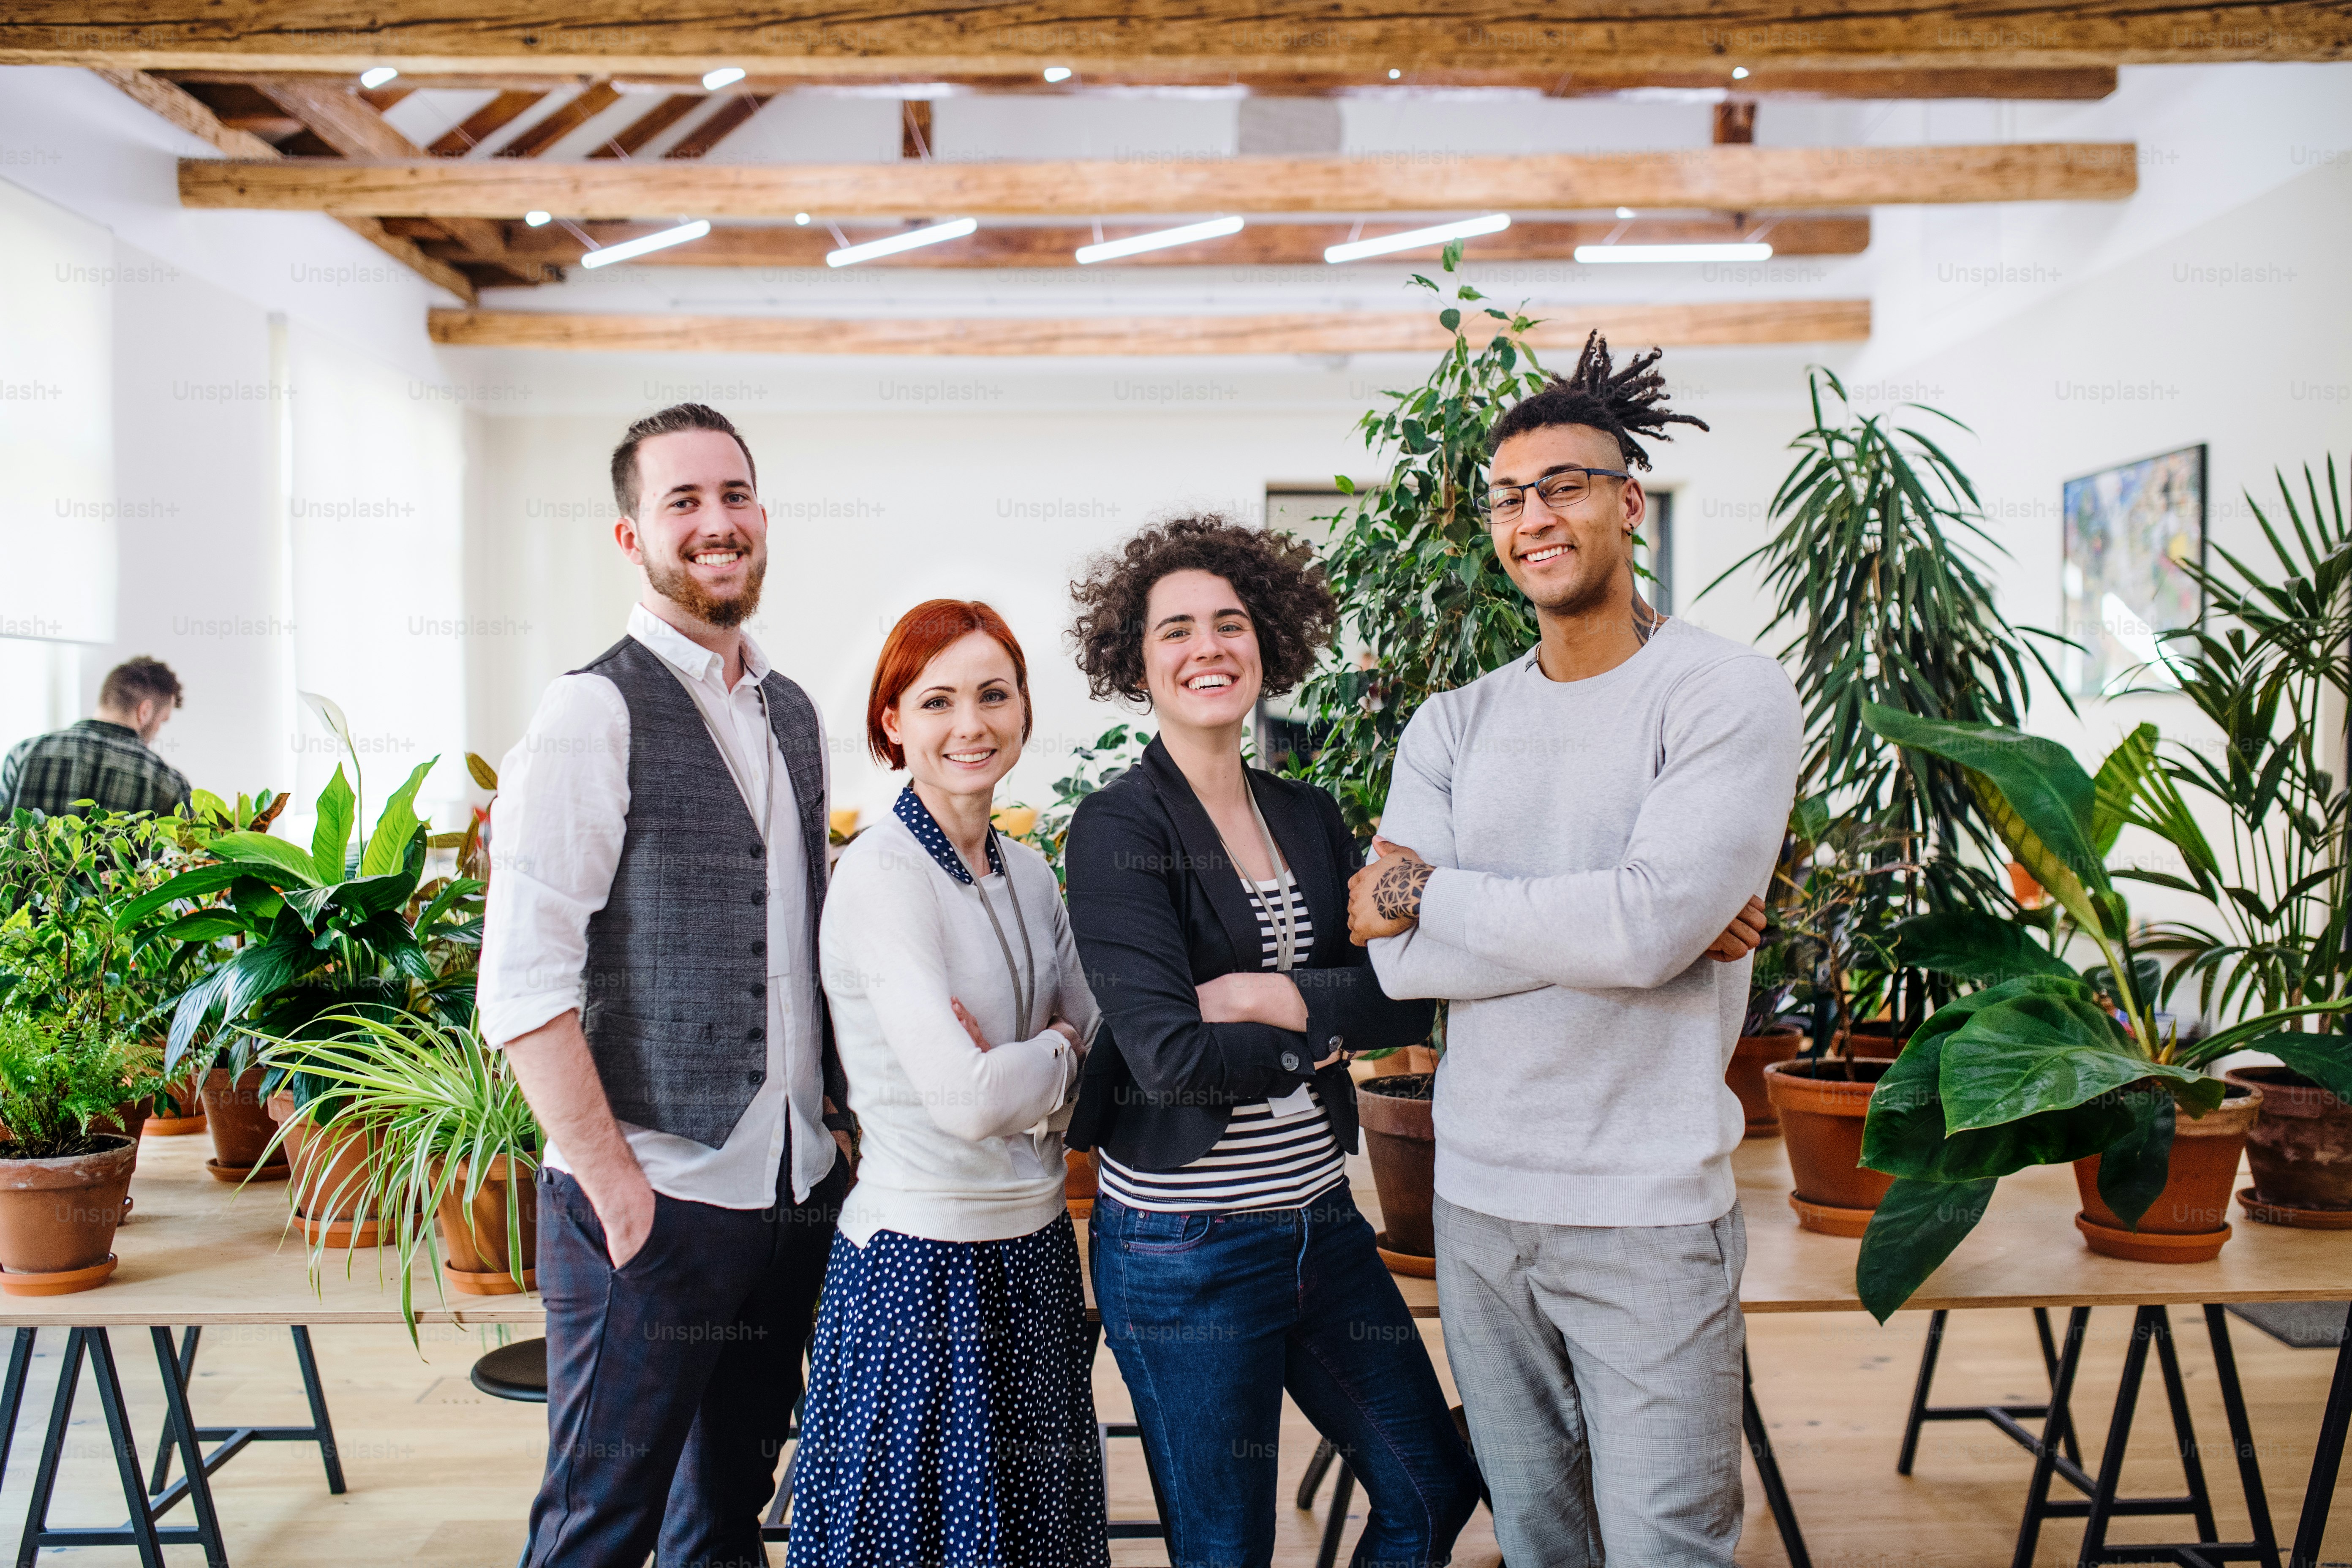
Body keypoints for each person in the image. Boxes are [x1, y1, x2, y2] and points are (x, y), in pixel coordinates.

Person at [1346, 332, 1799, 1567]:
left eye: (1562, 485)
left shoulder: (1723, 693)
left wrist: (1444, 891)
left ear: (1625, 501)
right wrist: (1619, 920)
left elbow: (1641, 929)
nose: (1531, 516)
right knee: (1540, 1541)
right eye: (1507, 497)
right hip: (1481, 1200)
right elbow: (1390, 959)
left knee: (1664, 1546)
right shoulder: (1455, 721)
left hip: (1644, 1210)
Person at [1060, 517, 1481, 1568]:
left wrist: (1270, 998)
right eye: (1176, 632)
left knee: (1432, 1488)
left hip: (1321, 1225)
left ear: (1268, 643)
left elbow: (1398, 1000)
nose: (1208, 648)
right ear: (1135, 659)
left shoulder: (1308, 814)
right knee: (1224, 1549)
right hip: (1185, 1246)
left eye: (1230, 624)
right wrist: (1323, 1034)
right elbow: (1168, 1058)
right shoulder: (1120, 828)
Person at [477, 402, 854, 1568]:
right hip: (654, 1198)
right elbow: (522, 984)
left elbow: (804, 939)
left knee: (724, 1520)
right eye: (681, 502)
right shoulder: (590, 712)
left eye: (734, 496)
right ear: (630, 537)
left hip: (788, 1194)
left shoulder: (792, 710)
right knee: (600, 1526)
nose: (716, 522)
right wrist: (617, 1193)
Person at [788, 599, 1106, 1567]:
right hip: (921, 1267)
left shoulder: (1026, 869)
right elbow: (968, 1101)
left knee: (1032, 1541)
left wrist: (1037, 1053)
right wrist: (1053, 1050)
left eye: (992, 694)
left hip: (1038, 1248)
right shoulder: (884, 874)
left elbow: (1101, 1026)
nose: (969, 724)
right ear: (893, 720)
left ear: (1021, 709)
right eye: (936, 700)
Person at [0, 656, 190, 817]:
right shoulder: (166, 781)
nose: (158, 731)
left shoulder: (24, 754)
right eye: (162, 721)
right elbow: (204, 855)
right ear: (146, 711)